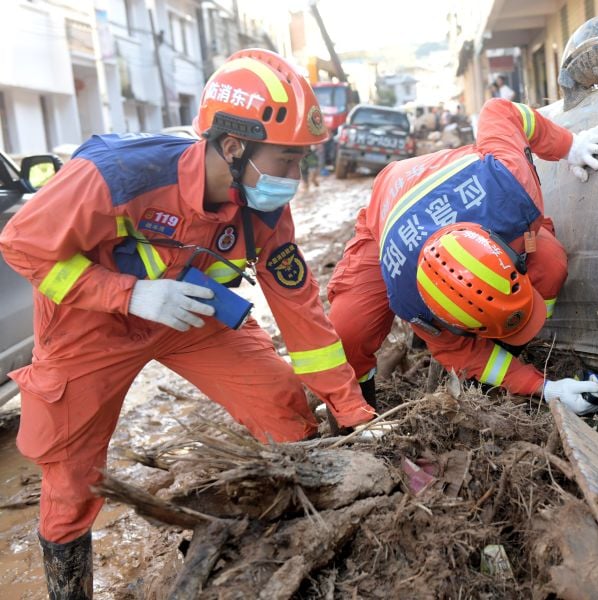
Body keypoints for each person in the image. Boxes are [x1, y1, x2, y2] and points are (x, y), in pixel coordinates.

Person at [0, 48, 379, 597]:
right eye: (288, 160)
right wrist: (127, 294)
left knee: (285, 409)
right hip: (90, 327)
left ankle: (290, 542)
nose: (297, 177)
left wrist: (355, 412)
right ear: (233, 145)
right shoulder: (117, 176)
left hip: (192, 313)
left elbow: (301, 311)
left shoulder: (265, 207)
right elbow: (22, 247)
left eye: (302, 161)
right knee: (71, 479)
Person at [327, 98, 598, 415]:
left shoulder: (511, 183)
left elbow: (499, 110)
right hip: (386, 214)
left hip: (455, 183)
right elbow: (464, 354)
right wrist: (542, 387)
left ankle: (519, 345)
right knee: (349, 330)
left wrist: (568, 145)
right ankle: (355, 414)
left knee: (550, 262)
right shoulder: (412, 298)